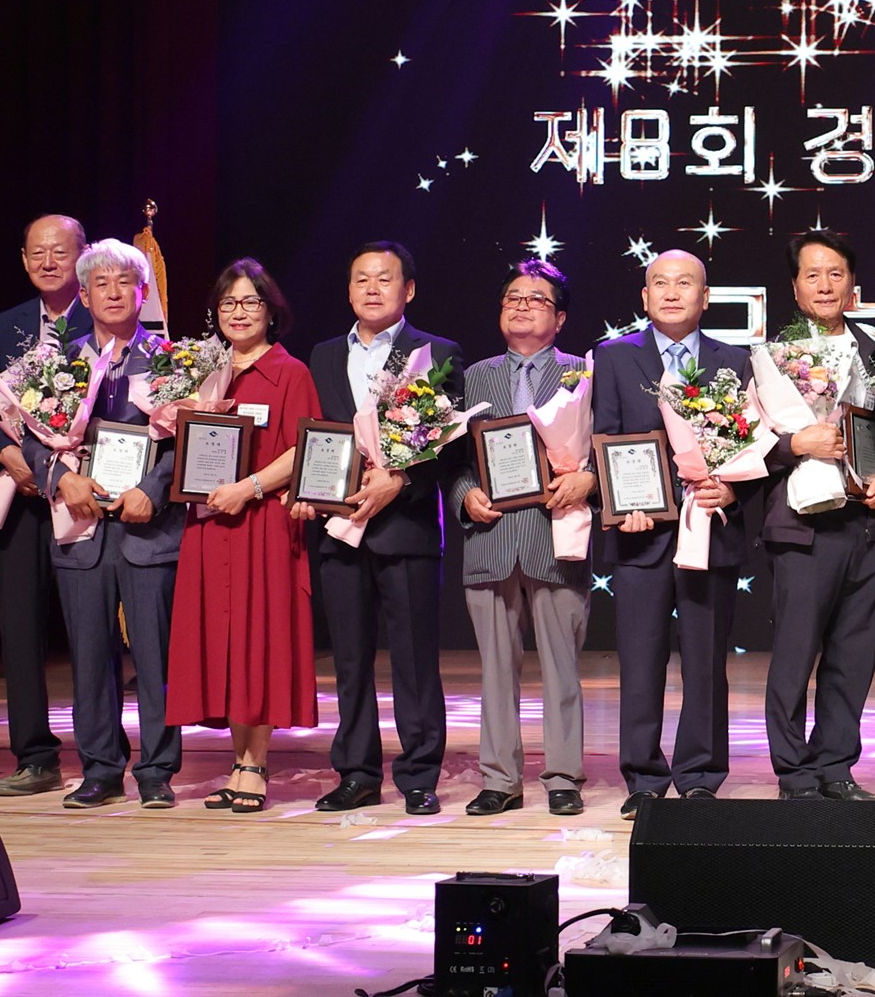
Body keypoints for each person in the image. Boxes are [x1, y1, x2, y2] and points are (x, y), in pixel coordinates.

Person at [306, 241, 461, 817]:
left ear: (408, 289)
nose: (372, 288)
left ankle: (419, 775)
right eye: (361, 279)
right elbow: (316, 436)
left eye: (385, 278)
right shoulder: (323, 355)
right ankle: (357, 773)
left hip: (407, 529)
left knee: (415, 662)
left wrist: (400, 480)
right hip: (341, 525)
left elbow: (451, 448)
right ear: (349, 289)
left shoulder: (436, 352)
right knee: (349, 660)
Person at [594, 248, 748, 810]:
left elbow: (751, 445)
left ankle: (700, 774)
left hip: (710, 527)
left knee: (705, 660)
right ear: (644, 296)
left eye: (685, 283)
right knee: (641, 660)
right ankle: (643, 779)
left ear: (705, 297)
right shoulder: (614, 357)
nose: (672, 292)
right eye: (660, 283)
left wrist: (731, 490)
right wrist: (622, 506)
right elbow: (604, 439)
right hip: (640, 533)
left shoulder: (737, 359)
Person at [756, 231, 875, 802]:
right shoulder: (772, 357)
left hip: (871, 523)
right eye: (812, 274)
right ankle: (794, 773)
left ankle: (836, 767)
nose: (824, 285)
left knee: (854, 654)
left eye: (835, 274)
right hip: (804, 526)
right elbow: (741, 445)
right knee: (796, 653)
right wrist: (796, 444)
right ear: (795, 287)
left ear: (853, 286)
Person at [168, 258, 318, 815]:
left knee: (260, 638)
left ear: (270, 311)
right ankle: (237, 762)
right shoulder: (203, 374)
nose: (238, 312)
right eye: (228, 303)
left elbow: (303, 447)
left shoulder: (290, 372)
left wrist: (248, 488)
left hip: (263, 524)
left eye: (250, 302)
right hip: (209, 524)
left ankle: (255, 764)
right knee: (224, 642)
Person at [449, 260, 596, 816]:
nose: (521, 306)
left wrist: (587, 480)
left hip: (556, 537)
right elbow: (451, 460)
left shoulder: (583, 374)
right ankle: (500, 779)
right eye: (512, 297)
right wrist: (466, 494)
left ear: (560, 318)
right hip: (489, 539)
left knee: (562, 668)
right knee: (494, 670)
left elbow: (604, 448)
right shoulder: (473, 377)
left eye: (536, 299)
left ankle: (563, 776)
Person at [53, 239, 186, 808]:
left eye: (124, 282)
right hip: (80, 527)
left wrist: (151, 491)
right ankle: (101, 769)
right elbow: (27, 438)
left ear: (143, 291)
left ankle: (157, 771)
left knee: (155, 657)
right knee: (89, 657)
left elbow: (191, 441)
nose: (112, 292)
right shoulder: (56, 362)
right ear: (83, 296)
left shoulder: (172, 361)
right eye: (99, 284)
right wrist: (61, 477)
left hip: (146, 528)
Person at [0, 214, 87, 797]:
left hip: (81, 490)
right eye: (37, 253)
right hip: (19, 493)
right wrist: (7, 453)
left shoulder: (106, 312)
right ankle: (35, 755)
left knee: (89, 624)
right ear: (24, 261)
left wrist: (62, 469)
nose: (48, 262)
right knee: (20, 626)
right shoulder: (5, 325)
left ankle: (101, 754)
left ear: (83, 256)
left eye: (60, 251)